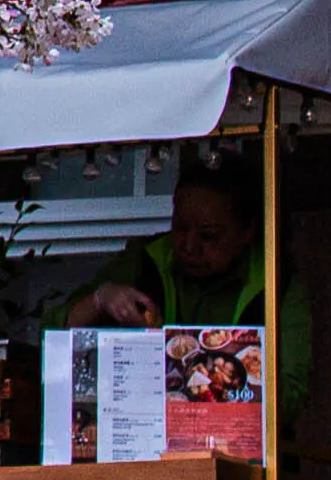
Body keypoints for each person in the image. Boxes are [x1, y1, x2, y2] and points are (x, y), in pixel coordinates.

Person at [57, 165, 311, 418]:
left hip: (240, 445)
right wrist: (102, 298)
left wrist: (219, 379)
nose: (189, 246)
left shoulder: (276, 281)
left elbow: (293, 395)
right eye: (180, 228)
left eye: (208, 236)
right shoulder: (145, 260)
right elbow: (53, 333)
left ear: (246, 232)